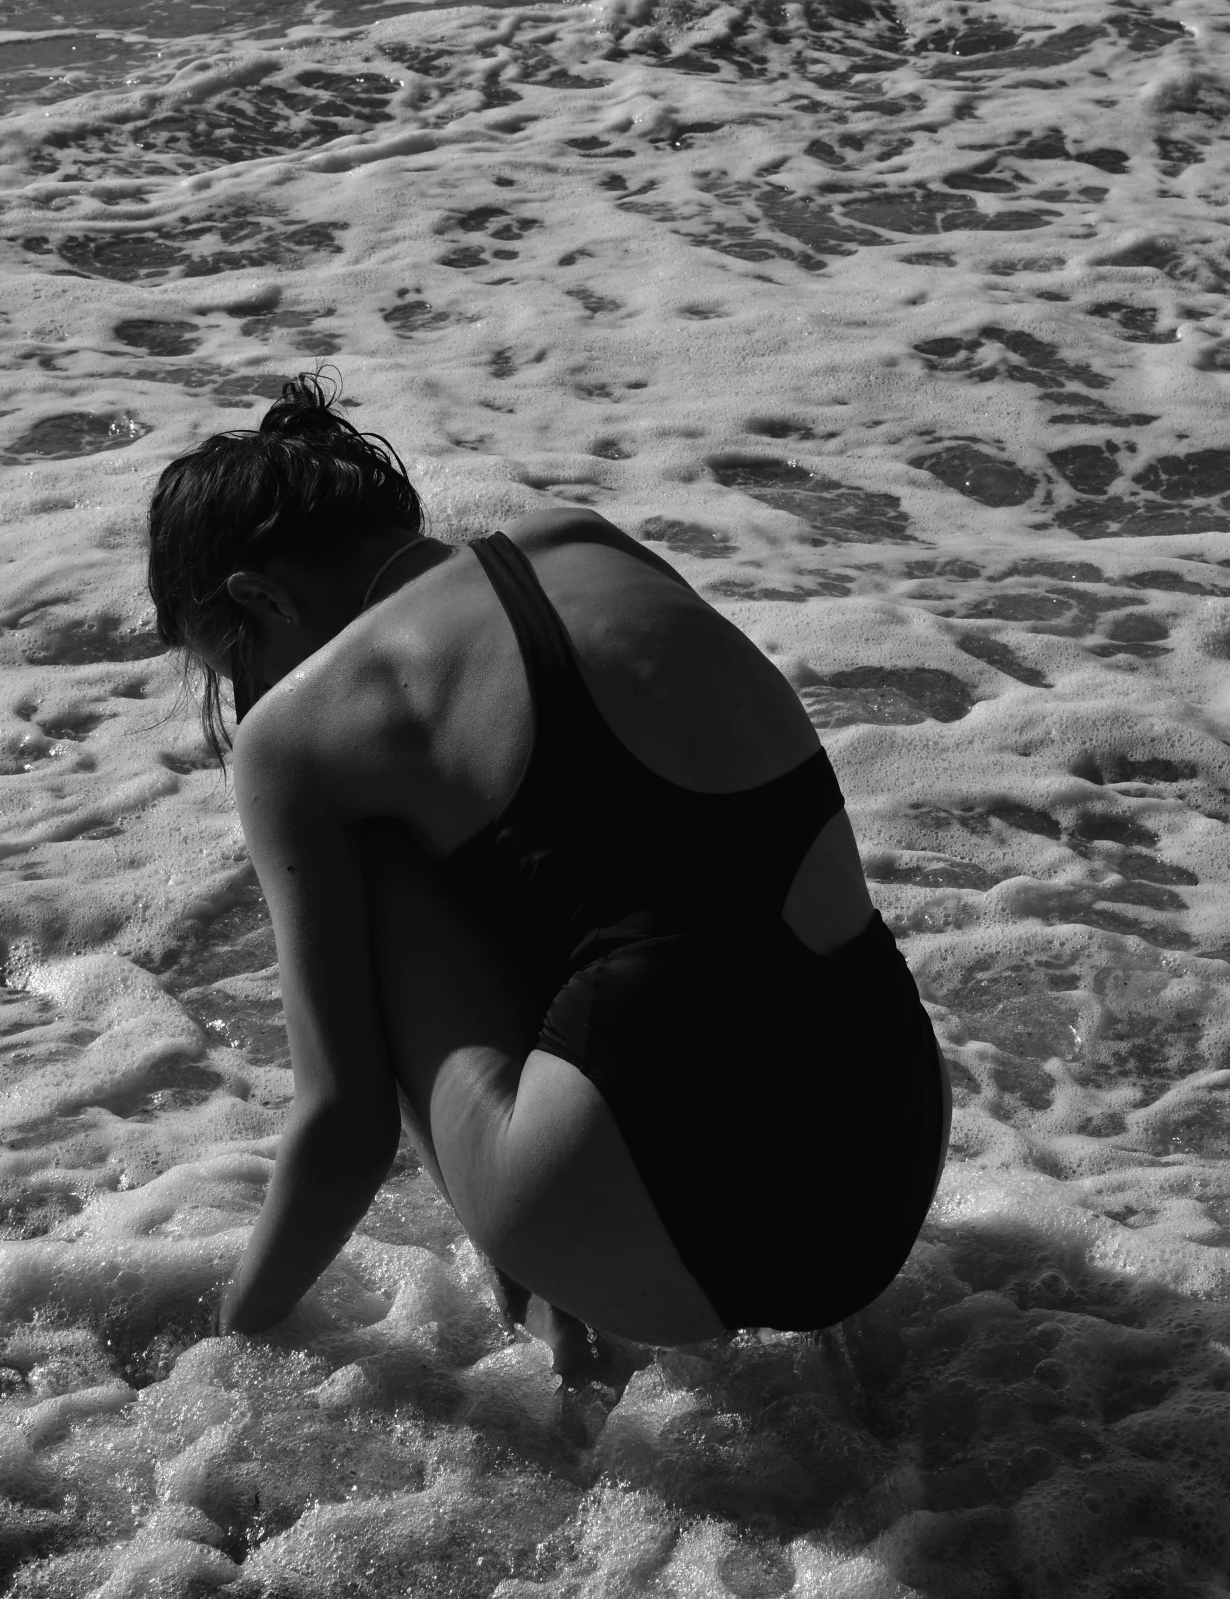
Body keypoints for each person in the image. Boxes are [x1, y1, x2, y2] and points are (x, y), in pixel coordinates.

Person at [146, 376, 951, 1375]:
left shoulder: (301, 728)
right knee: (603, 875)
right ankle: (548, 1243)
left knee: (373, 840)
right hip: (886, 1164)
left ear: (257, 599)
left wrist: (239, 1335)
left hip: (660, 1238)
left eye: (235, 665)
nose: (251, 697)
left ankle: (549, 1257)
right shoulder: (589, 543)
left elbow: (343, 1128)